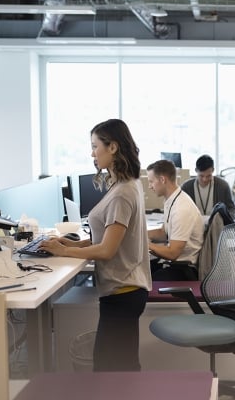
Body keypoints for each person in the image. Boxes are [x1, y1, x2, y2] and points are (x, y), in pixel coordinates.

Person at [39, 118, 151, 372]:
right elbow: (109, 238)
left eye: (94, 146)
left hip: (124, 291)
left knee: (111, 368)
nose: (92, 153)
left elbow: (107, 250)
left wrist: (64, 251)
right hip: (125, 289)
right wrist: (72, 244)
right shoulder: (125, 185)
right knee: (121, 365)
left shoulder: (123, 192)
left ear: (112, 147)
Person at [147, 159, 204, 281]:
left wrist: (145, 244)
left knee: (142, 283)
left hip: (183, 269)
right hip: (174, 263)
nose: (149, 186)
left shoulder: (181, 208)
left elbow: (172, 253)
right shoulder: (172, 200)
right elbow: (163, 232)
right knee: (138, 272)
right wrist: (139, 235)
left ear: (162, 180)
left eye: (151, 181)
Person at [181, 154, 235, 219]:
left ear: (213, 170)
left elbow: (231, 208)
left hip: (216, 226)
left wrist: (225, 221)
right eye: (201, 176)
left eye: (208, 176)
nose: (205, 179)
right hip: (194, 225)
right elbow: (180, 209)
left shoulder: (223, 186)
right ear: (196, 170)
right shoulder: (186, 187)